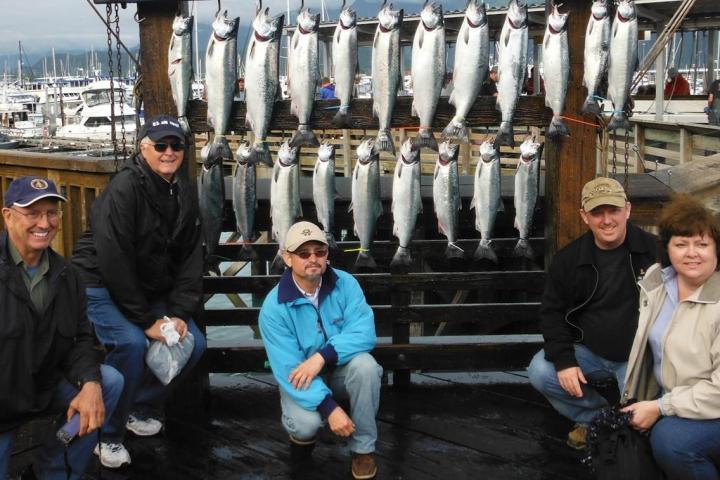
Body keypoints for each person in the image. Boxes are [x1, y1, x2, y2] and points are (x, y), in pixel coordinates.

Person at [72, 114, 207, 469]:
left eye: (176, 145)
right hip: (99, 283)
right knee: (131, 344)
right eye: (160, 145)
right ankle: (109, 435)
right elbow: (114, 258)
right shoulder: (125, 188)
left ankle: (140, 405)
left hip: (145, 289)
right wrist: (147, 321)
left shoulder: (185, 191)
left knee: (193, 344)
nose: (168, 152)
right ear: (143, 148)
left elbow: (192, 258)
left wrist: (178, 313)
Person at [0, 176, 123, 479]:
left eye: (52, 213)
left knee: (109, 382)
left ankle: (51, 470)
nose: (45, 223)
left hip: (42, 387)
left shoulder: (68, 275)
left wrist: (90, 383)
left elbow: (81, 339)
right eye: (32, 213)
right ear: (7, 215)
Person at [527, 177, 657, 450]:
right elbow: (551, 314)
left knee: (649, 430)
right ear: (584, 217)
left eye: (614, 211)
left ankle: (624, 425)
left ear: (628, 210)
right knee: (540, 370)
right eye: (597, 212)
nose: (607, 220)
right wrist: (564, 360)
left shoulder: (655, 251)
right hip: (590, 353)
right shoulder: (568, 260)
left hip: (640, 358)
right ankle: (597, 419)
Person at [259, 221, 382, 480]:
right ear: (287, 258)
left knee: (367, 367)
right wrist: (330, 408)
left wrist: (322, 356)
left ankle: (363, 450)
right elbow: (288, 368)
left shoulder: (346, 284)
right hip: (301, 378)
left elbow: (365, 333)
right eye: (303, 254)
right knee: (306, 426)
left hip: (340, 369)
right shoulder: (273, 308)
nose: (313, 259)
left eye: (320, 252)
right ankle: (302, 441)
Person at [621, 195, 720, 479]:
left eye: (702, 244)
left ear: (717, 250)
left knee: (672, 441)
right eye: (681, 244)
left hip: (712, 405)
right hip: (674, 396)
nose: (692, 253)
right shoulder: (657, 281)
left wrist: (661, 407)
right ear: (667, 249)